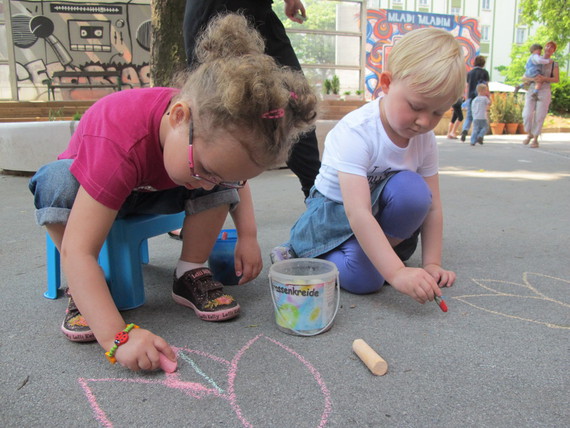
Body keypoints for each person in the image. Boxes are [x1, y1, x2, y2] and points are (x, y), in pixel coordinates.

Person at [29, 14, 317, 371]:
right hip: (87, 198)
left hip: (157, 187)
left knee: (218, 181)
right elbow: (79, 248)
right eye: (207, 170)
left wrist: (248, 234)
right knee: (55, 182)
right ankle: (83, 288)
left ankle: (189, 271)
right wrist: (118, 337)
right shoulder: (120, 138)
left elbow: (225, 177)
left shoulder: (208, 137)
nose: (211, 186)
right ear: (179, 116)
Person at [271, 27, 464, 305]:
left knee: (415, 191)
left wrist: (432, 263)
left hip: (378, 215)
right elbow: (357, 212)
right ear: (386, 83)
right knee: (367, 281)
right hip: (335, 214)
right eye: (415, 106)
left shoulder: (424, 138)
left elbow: (432, 206)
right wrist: (396, 272)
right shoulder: (358, 131)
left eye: (437, 112)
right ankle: (304, 250)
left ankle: (374, 256)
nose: (424, 121)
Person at [184, 0, 321, 199]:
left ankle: (320, 202)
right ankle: (201, 205)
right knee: (209, 110)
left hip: (260, 10)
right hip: (212, 9)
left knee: (295, 104)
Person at [522, 41, 559, 148]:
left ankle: (535, 139)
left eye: (552, 47)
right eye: (548, 46)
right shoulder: (536, 58)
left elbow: (556, 79)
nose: (549, 48)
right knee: (527, 114)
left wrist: (544, 79)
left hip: (545, 89)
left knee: (540, 115)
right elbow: (524, 76)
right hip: (533, 87)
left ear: (553, 51)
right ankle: (529, 133)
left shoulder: (553, 64)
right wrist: (533, 78)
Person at [460, 55, 490, 142]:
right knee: (480, 116)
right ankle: (479, 135)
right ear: (483, 63)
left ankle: (465, 130)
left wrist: (466, 96)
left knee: (469, 116)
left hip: (471, 97)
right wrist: (488, 95)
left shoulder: (470, 73)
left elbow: (468, 86)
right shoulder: (485, 73)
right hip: (481, 97)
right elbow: (486, 85)